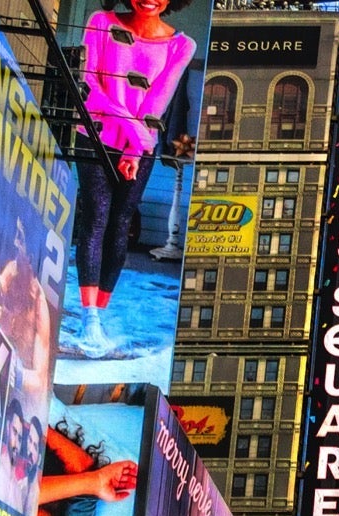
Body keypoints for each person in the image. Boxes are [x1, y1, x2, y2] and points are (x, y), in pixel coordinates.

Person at [71, 0, 197, 356]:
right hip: (94, 135)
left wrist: (134, 150)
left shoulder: (181, 45)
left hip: (139, 147)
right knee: (96, 218)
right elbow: (91, 87)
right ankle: (88, 319)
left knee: (120, 222)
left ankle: (101, 311)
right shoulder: (101, 22)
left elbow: (158, 100)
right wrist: (132, 131)